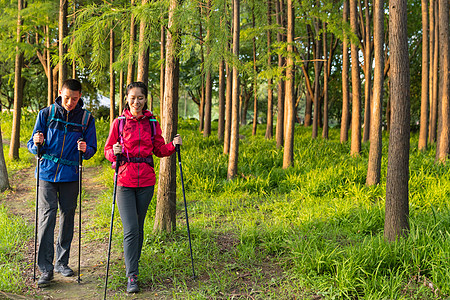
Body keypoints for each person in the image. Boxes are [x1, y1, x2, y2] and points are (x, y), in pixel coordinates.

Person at [104, 81, 182, 293]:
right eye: (132, 98)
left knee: (138, 228)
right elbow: (107, 150)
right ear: (126, 99)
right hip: (124, 181)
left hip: (146, 182)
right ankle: (132, 276)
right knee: (130, 229)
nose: (136, 102)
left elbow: (158, 149)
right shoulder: (119, 122)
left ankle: (133, 266)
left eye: (140, 98)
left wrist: (173, 146)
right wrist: (114, 152)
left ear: (146, 99)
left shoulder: (152, 123)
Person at [27, 79, 97, 287]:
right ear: (60, 93)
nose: (70, 102)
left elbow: (92, 149)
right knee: (47, 219)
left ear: (79, 97)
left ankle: (62, 262)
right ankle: (46, 269)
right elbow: (33, 144)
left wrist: (86, 149)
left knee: (67, 219)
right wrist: (36, 144)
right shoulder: (46, 114)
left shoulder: (85, 119)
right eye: (67, 97)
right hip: (46, 174)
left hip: (71, 176)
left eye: (75, 99)